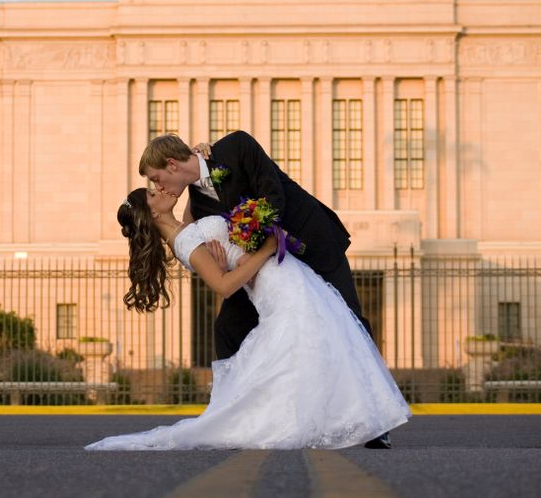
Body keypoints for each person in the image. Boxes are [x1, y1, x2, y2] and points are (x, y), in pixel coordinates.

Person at [84, 188, 409, 451]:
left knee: (323, 340)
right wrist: (266, 249)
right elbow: (225, 287)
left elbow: (199, 203)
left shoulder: (184, 227)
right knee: (314, 342)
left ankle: (348, 417)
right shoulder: (185, 242)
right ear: (153, 213)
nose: (159, 189)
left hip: (284, 277)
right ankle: (347, 418)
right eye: (153, 193)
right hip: (274, 285)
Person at [140, 131, 393, 449]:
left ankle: (376, 420)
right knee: (227, 328)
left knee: (349, 316)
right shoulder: (198, 202)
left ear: (172, 164)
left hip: (309, 241)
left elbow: (273, 196)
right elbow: (195, 241)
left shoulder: (236, 147)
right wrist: (220, 259)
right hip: (266, 269)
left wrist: (253, 245)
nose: (158, 186)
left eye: (156, 178)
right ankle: (233, 415)